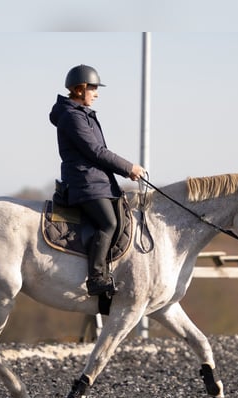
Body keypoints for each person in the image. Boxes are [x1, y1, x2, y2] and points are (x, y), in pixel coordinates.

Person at [49, 64, 146, 297]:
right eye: (93, 87)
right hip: (84, 183)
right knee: (108, 223)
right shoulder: (73, 117)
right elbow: (96, 152)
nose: (96, 93)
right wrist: (128, 168)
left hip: (96, 182)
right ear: (80, 89)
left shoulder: (83, 115)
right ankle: (96, 278)